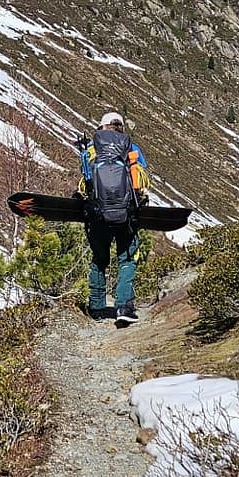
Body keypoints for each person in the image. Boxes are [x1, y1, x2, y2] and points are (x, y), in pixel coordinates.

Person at [77, 109, 149, 326]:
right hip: (126, 216)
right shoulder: (132, 148)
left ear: (102, 127)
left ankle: (97, 307)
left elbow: (85, 183)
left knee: (99, 259)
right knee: (127, 259)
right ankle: (124, 307)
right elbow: (142, 182)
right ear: (121, 128)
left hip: (98, 215)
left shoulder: (92, 149)